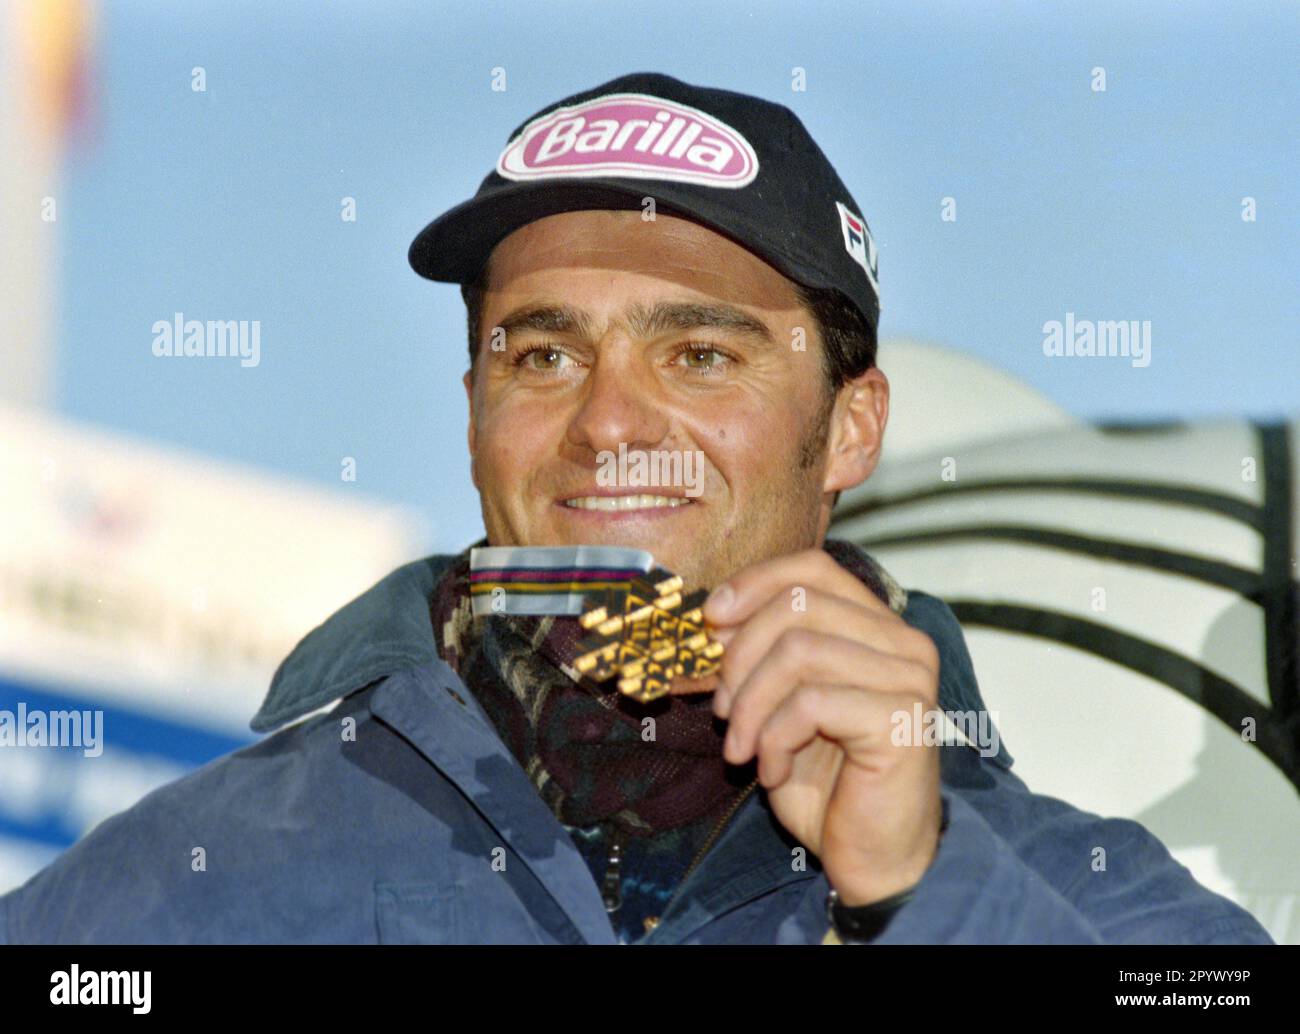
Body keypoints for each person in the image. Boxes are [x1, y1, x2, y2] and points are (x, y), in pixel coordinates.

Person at [0, 72, 1273, 945]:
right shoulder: (178, 880)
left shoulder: (1091, 901)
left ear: (853, 424)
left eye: (700, 355)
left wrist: (919, 890)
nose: (609, 422)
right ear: (472, 410)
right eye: (543, 356)